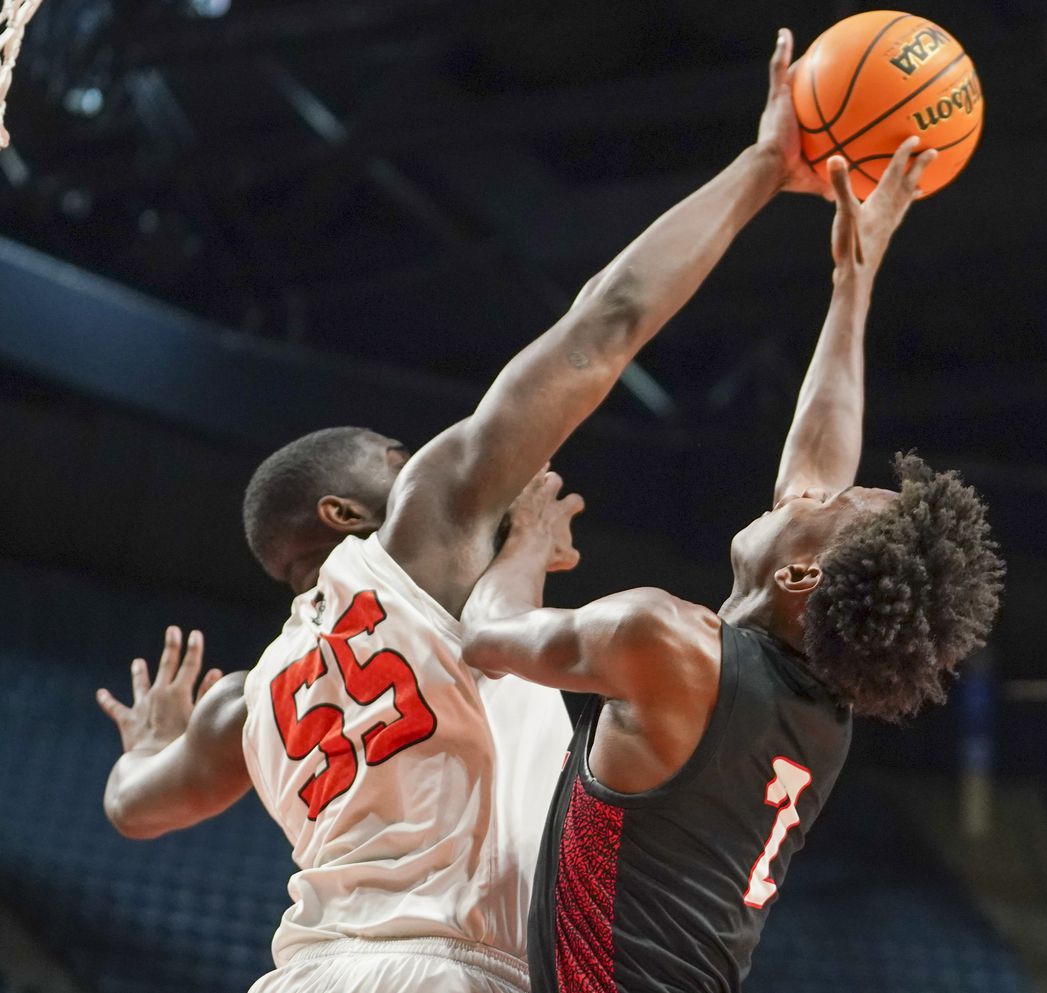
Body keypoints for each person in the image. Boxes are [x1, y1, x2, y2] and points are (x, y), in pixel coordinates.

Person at [94, 29, 827, 993]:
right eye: (395, 460)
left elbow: (132, 809)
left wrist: (143, 749)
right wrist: (762, 167)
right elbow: (601, 327)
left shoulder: (243, 702)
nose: (418, 461)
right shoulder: (420, 526)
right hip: (459, 969)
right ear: (347, 512)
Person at [460, 143, 1007, 993]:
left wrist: (526, 543)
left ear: (800, 579)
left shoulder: (666, 641)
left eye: (826, 506)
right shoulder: (820, 706)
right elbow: (817, 461)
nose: (805, 490)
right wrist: (854, 280)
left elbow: (484, 636)